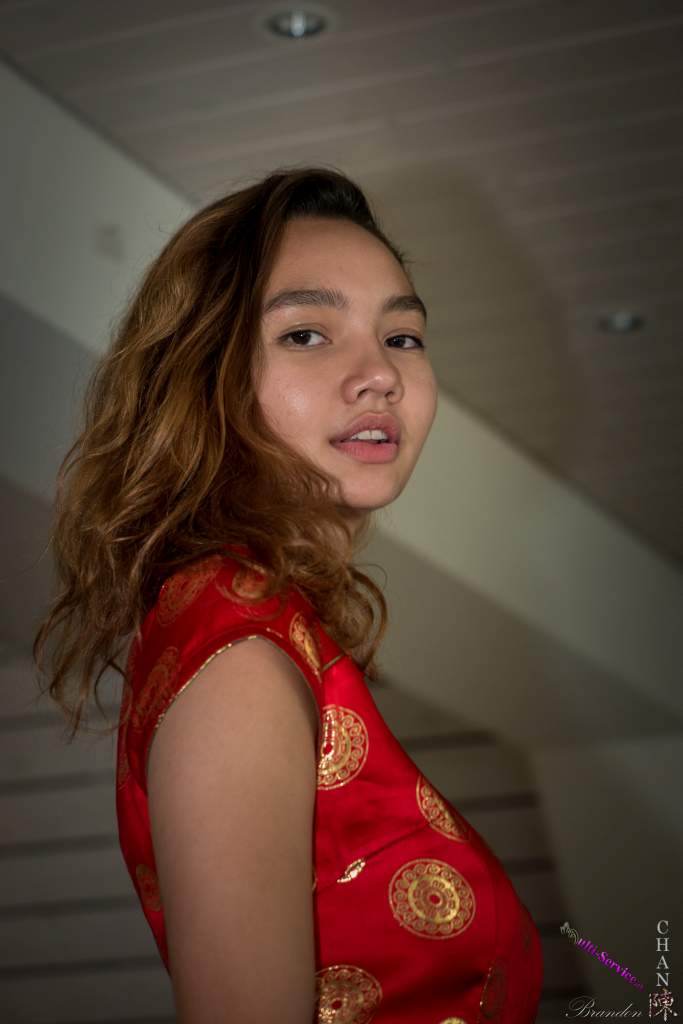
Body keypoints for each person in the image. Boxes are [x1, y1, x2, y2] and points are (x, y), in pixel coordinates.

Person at [33, 166, 543, 1022]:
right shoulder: (239, 656)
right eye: (306, 334)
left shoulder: (252, 624)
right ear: (204, 377)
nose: (379, 374)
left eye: (403, 336)